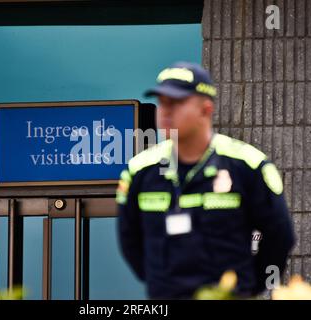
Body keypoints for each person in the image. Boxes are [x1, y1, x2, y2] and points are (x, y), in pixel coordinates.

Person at [116, 61, 295, 299]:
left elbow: (279, 235)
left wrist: (248, 287)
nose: (166, 111)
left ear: (206, 109)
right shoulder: (140, 170)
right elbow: (130, 240)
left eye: (177, 102)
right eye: (162, 102)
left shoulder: (247, 165)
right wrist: (162, 282)